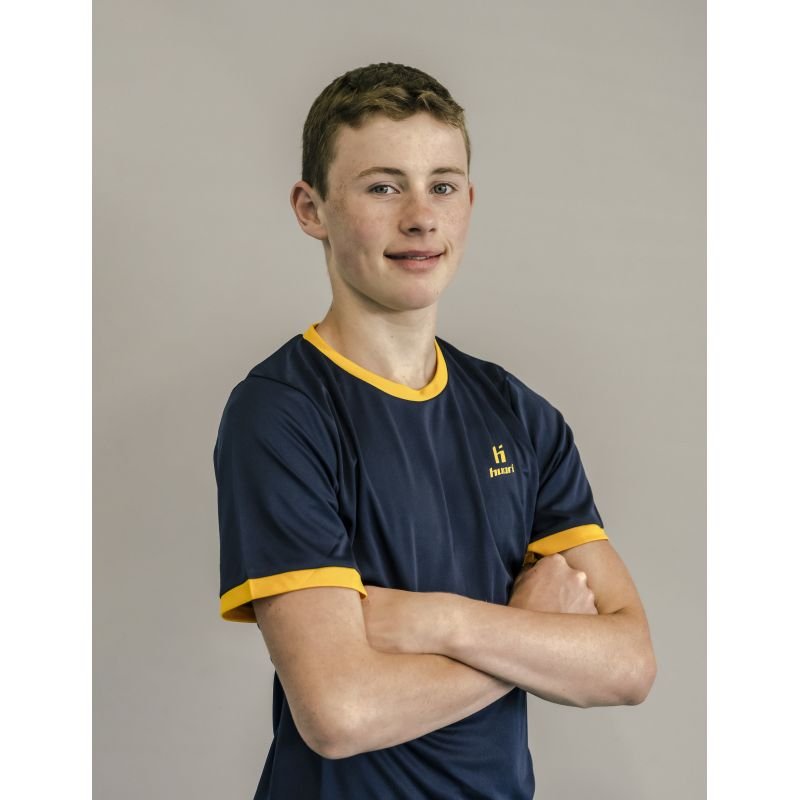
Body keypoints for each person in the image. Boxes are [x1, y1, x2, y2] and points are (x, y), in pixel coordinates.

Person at [213, 62, 656, 800]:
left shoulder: (520, 415)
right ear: (311, 208)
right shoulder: (282, 413)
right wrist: (525, 634)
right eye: (383, 187)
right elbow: (339, 713)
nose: (421, 217)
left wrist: (441, 621)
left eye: (442, 186)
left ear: (469, 203)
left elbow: (629, 664)